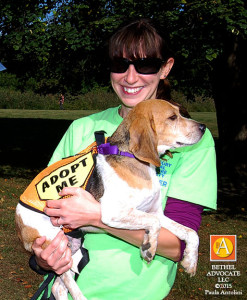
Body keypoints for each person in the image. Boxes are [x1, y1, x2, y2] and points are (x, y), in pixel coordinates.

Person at [30, 19, 217, 300]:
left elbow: (177, 245)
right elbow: (42, 210)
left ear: (165, 68)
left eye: (145, 65)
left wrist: (99, 218)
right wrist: (43, 259)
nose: (130, 78)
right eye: (120, 65)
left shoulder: (190, 141)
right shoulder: (80, 129)